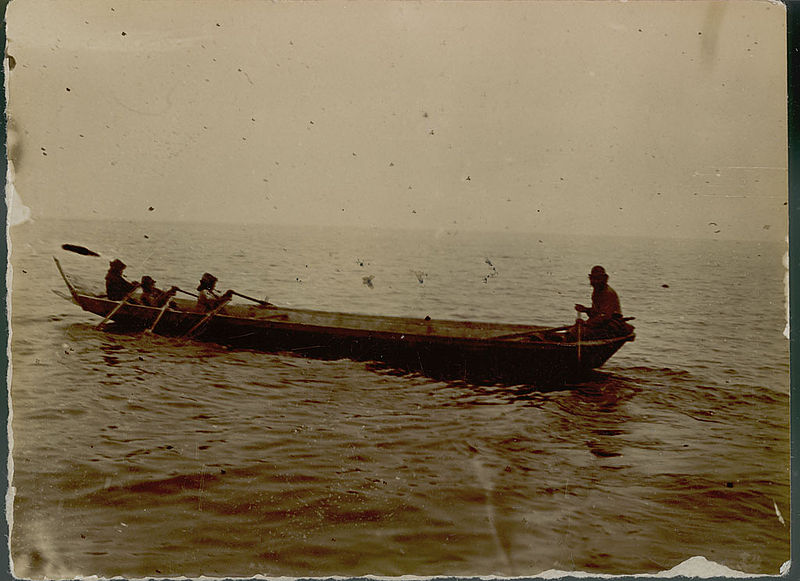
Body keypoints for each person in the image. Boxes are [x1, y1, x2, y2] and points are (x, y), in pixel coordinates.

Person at [573, 265, 632, 338]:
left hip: (611, 326)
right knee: (575, 330)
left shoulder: (608, 293)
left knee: (579, 332)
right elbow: (597, 312)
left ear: (604, 279)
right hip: (601, 324)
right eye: (593, 279)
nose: (595, 281)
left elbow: (605, 316)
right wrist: (585, 310)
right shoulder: (597, 291)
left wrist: (586, 323)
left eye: (598, 279)